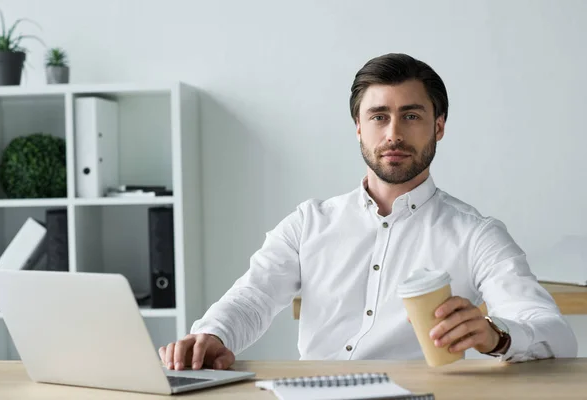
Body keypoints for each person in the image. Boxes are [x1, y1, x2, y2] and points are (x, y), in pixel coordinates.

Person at [159, 53, 578, 371]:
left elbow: (555, 333)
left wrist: (497, 337)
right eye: (379, 116)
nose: (393, 134)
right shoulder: (309, 223)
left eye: (411, 116)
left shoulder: (476, 235)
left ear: (439, 126)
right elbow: (252, 298)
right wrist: (212, 335)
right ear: (359, 127)